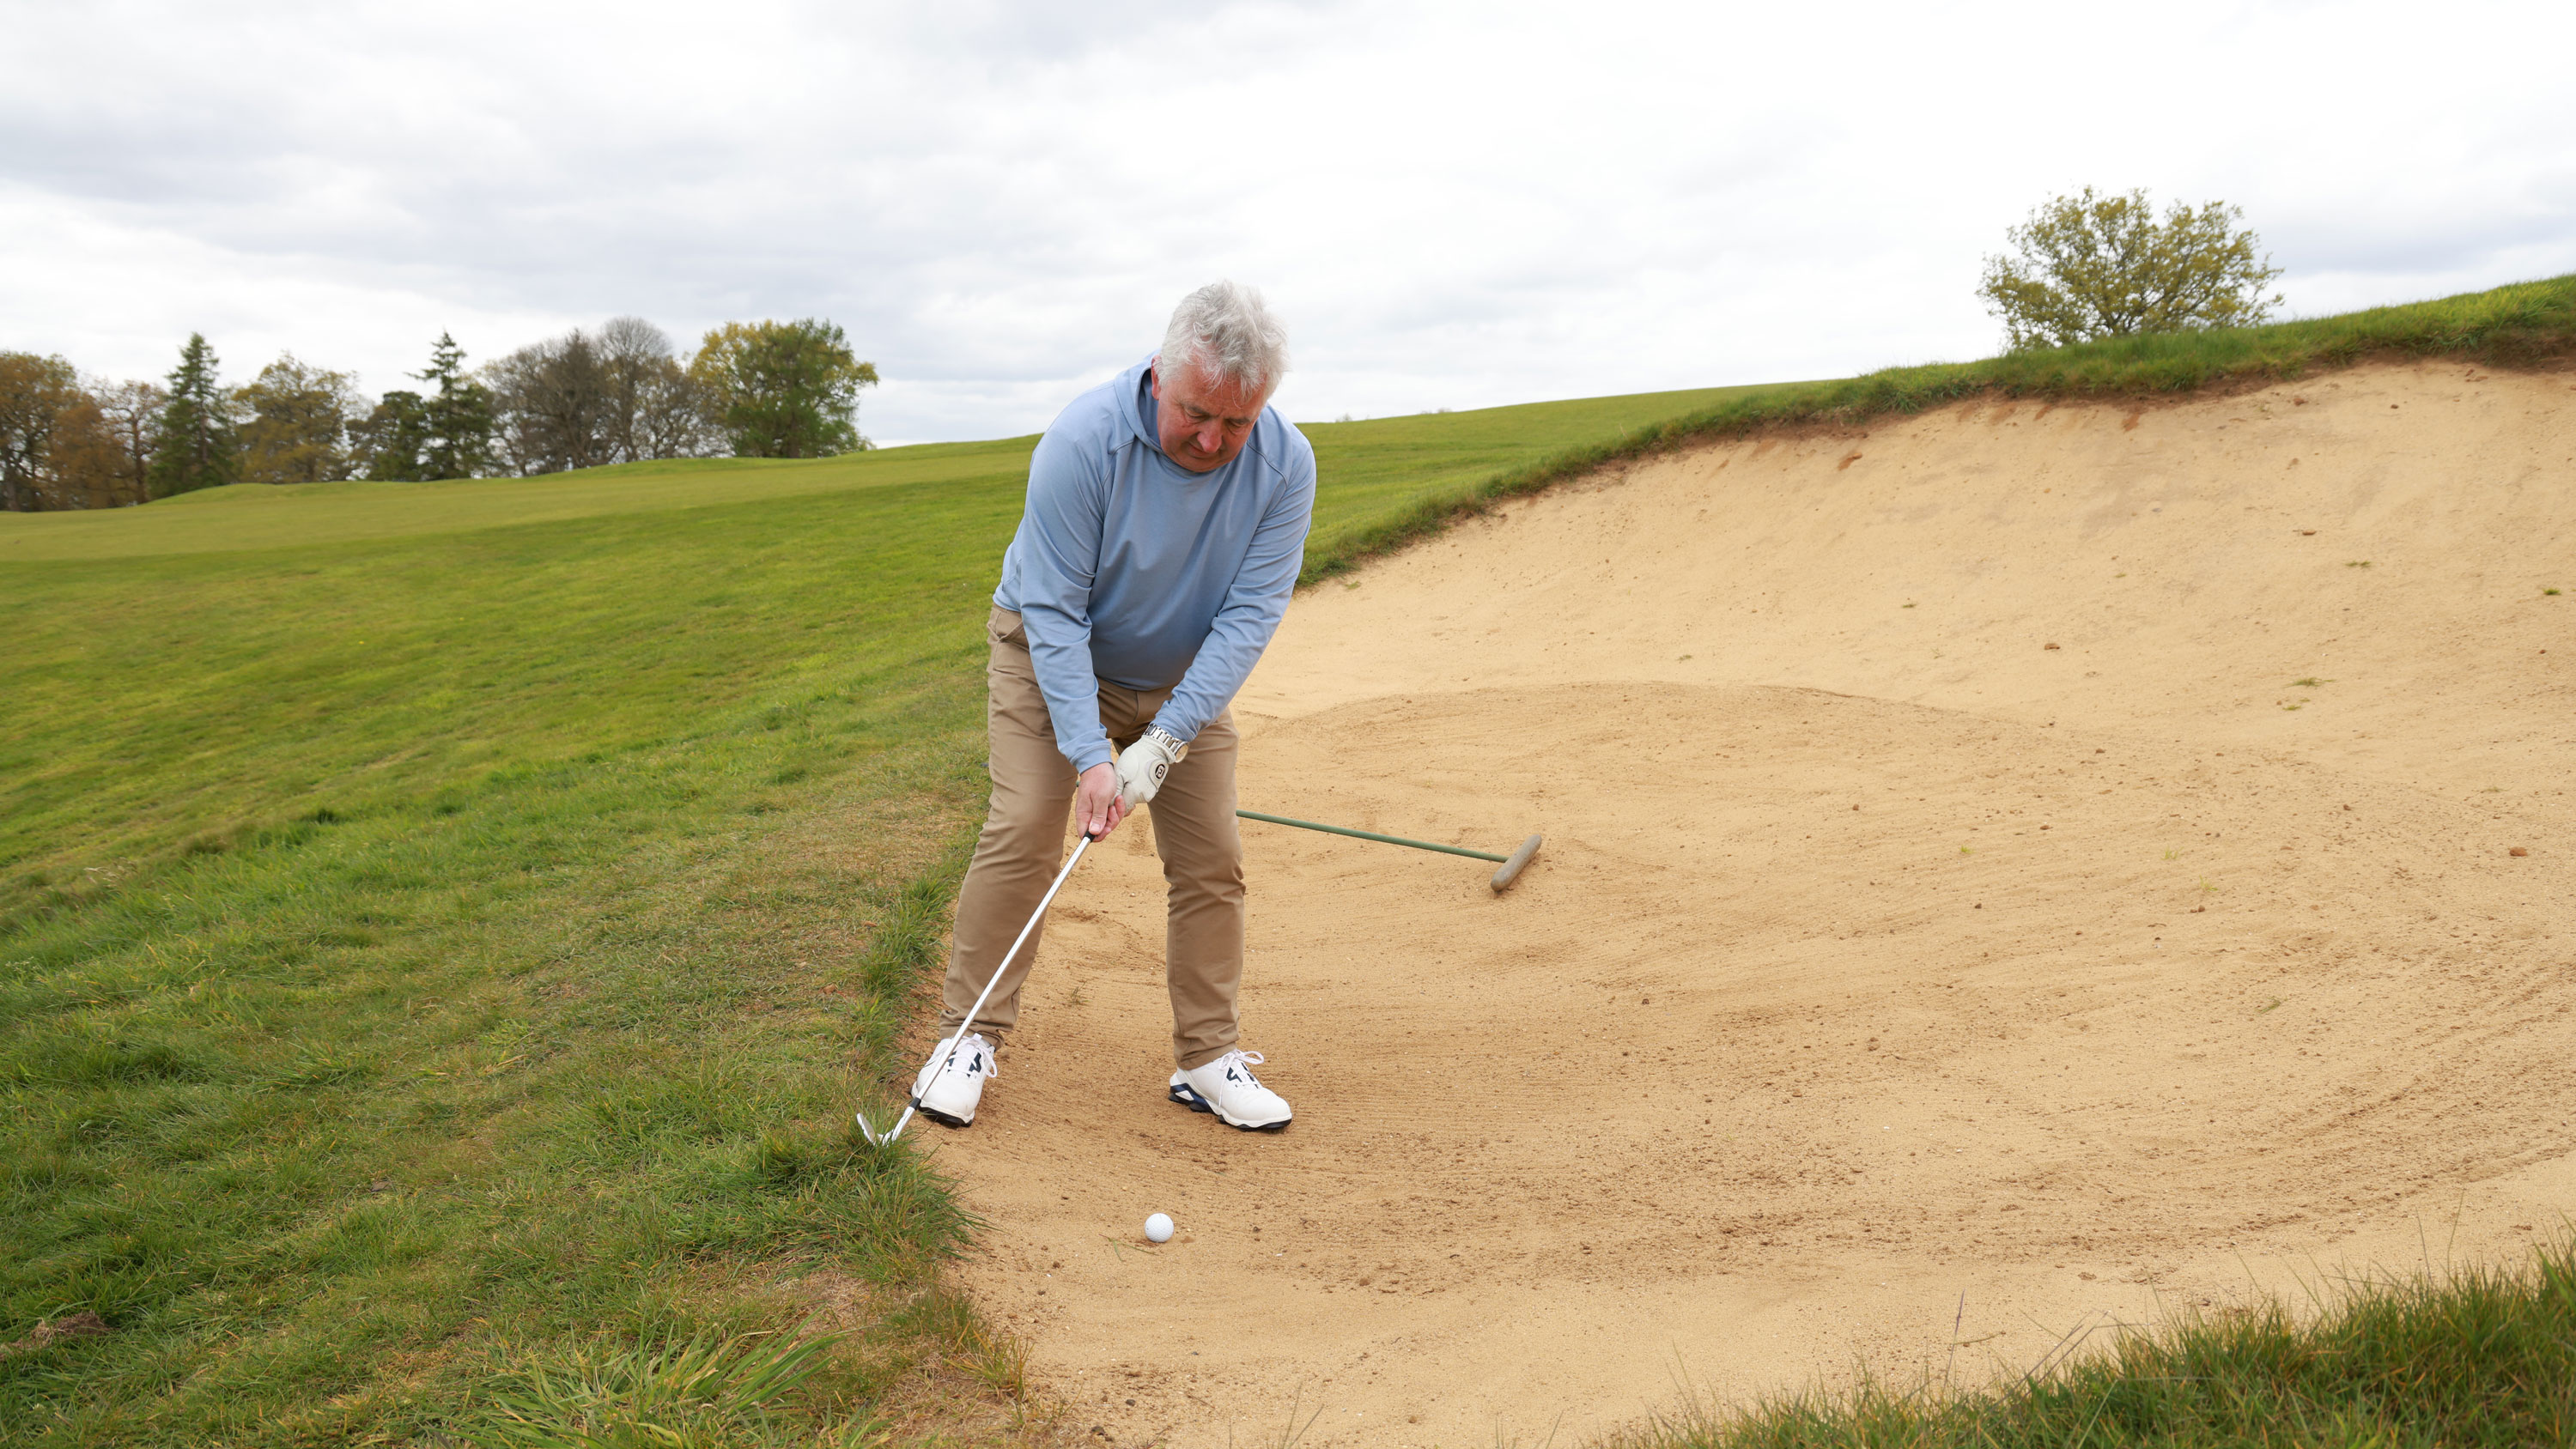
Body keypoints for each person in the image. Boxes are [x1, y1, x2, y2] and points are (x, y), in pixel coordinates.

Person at [899, 281, 1315, 1134]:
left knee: (1213, 860)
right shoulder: (1082, 441)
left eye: (1235, 424)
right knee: (1023, 828)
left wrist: (1163, 741)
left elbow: (1247, 618)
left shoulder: (1286, 465)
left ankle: (1206, 1055)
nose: (1212, 439)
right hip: (1047, 657)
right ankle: (965, 1040)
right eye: (1198, 412)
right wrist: (1093, 758)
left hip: (1177, 679)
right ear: (1161, 375)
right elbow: (1052, 611)